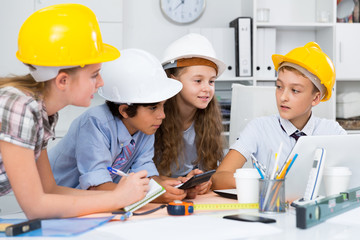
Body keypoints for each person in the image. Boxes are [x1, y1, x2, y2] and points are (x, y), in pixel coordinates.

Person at [0, 4, 150, 219]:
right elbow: (35, 207)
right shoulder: (20, 106)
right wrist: (118, 198)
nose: (101, 82)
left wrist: (119, 196)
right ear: (63, 80)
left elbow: (49, 190)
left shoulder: (43, 113)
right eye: (94, 74)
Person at [48, 48, 185, 202]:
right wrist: (153, 195)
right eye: (153, 108)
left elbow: (144, 172)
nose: (162, 115)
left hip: (97, 202)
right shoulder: (95, 123)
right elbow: (97, 186)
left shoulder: (146, 127)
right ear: (125, 110)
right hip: (58, 200)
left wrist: (172, 187)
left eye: (163, 106)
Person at [212, 42, 347, 190]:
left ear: (315, 99)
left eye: (295, 90)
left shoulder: (332, 132)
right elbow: (220, 178)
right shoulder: (259, 128)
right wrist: (267, 187)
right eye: (279, 87)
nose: (283, 97)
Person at [153, 33, 226, 199]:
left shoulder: (208, 121)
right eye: (198, 81)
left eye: (211, 81)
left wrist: (204, 181)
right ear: (173, 81)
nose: (207, 88)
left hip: (186, 198)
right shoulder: (154, 120)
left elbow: (207, 169)